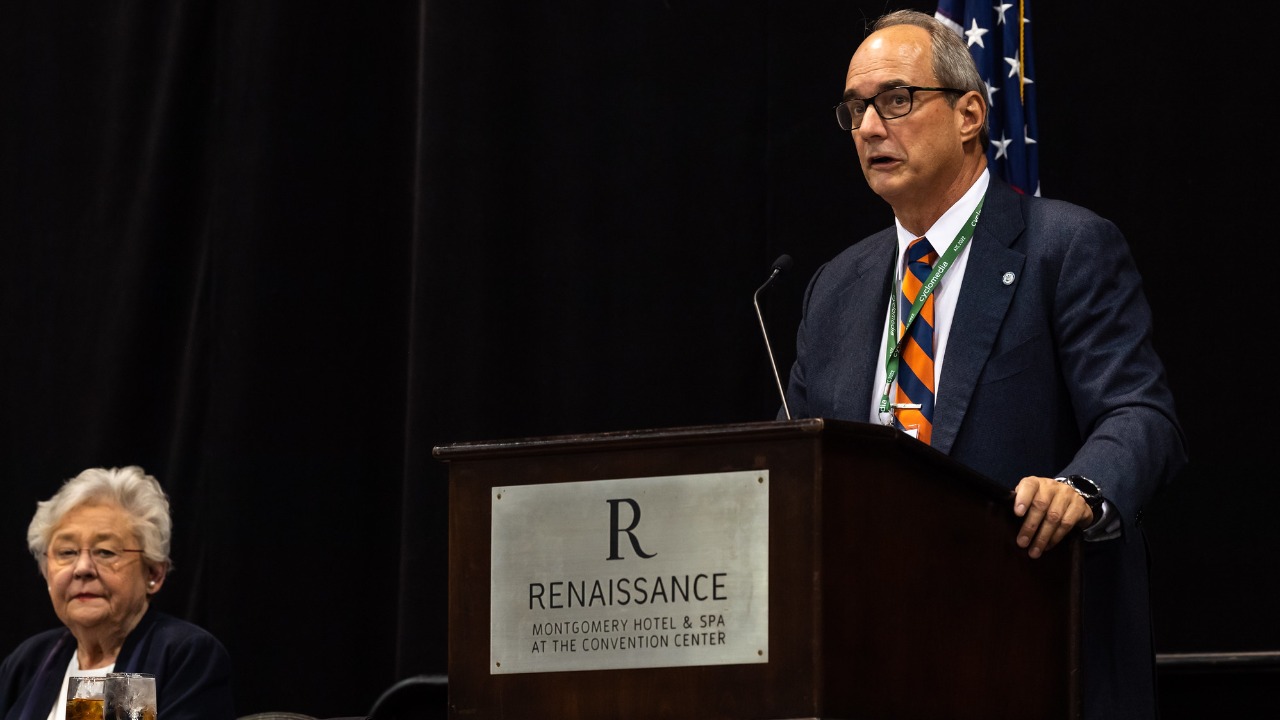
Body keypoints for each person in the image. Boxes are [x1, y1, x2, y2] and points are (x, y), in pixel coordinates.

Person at [781, 9, 1187, 719]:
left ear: (970, 113)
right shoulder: (833, 289)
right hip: (869, 658)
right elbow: (793, 469)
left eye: (897, 100)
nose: (872, 128)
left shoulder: (1062, 248)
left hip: (1023, 645)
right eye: (856, 110)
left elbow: (1140, 413)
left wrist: (1082, 489)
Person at [0, 466, 235, 720]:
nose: (82, 569)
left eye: (106, 552)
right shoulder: (29, 661)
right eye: (67, 552)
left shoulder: (182, 654)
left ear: (154, 573)